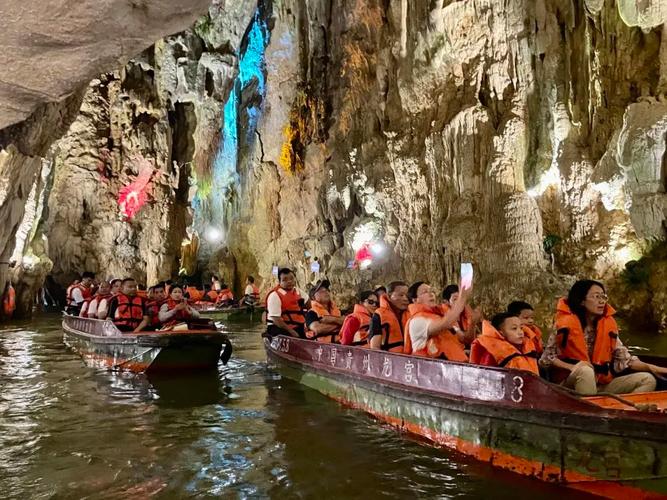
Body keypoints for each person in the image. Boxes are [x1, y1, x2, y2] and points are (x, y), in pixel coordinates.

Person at [540, 280, 666, 395]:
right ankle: (592, 414)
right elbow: (546, 359)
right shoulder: (563, 325)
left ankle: (621, 412)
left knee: (647, 379)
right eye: (596, 297)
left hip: (600, 385)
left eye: (603, 296)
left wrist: (653, 368)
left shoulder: (607, 327)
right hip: (570, 387)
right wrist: (573, 367)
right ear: (582, 301)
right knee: (585, 371)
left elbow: (625, 360)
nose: (602, 301)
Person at [404, 281, 469, 362]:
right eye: (425, 292)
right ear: (415, 300)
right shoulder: (416, 321)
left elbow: (462, 338)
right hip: (431, 371)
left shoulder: (439, 316)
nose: (431, 294)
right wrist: (462, 297)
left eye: (432, 291)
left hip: (452, 368)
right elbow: (445, 323)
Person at [470, 313, 539, 374]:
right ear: (501, 332)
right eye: (514, 328)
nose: (521, 332)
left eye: (521, 328)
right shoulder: (493, 352)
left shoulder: (525, 348)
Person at [368, 281, 410, 352]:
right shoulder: (379, 315)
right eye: (401, 295)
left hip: (411, 361)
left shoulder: (411, 314)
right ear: (389, 297)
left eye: (407, 296)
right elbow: (375, 348)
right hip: (390, 360)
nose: (405, 299)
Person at [265, 268, 307, 338]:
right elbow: (276, 320)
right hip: (278, 327)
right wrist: (292, 332)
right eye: (285, 280)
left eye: (291, 279)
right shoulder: (274, 295)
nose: (289, 281)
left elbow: (309, 305)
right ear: (279, 282)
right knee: (291, 335)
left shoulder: (298, 291)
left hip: (297, 325)